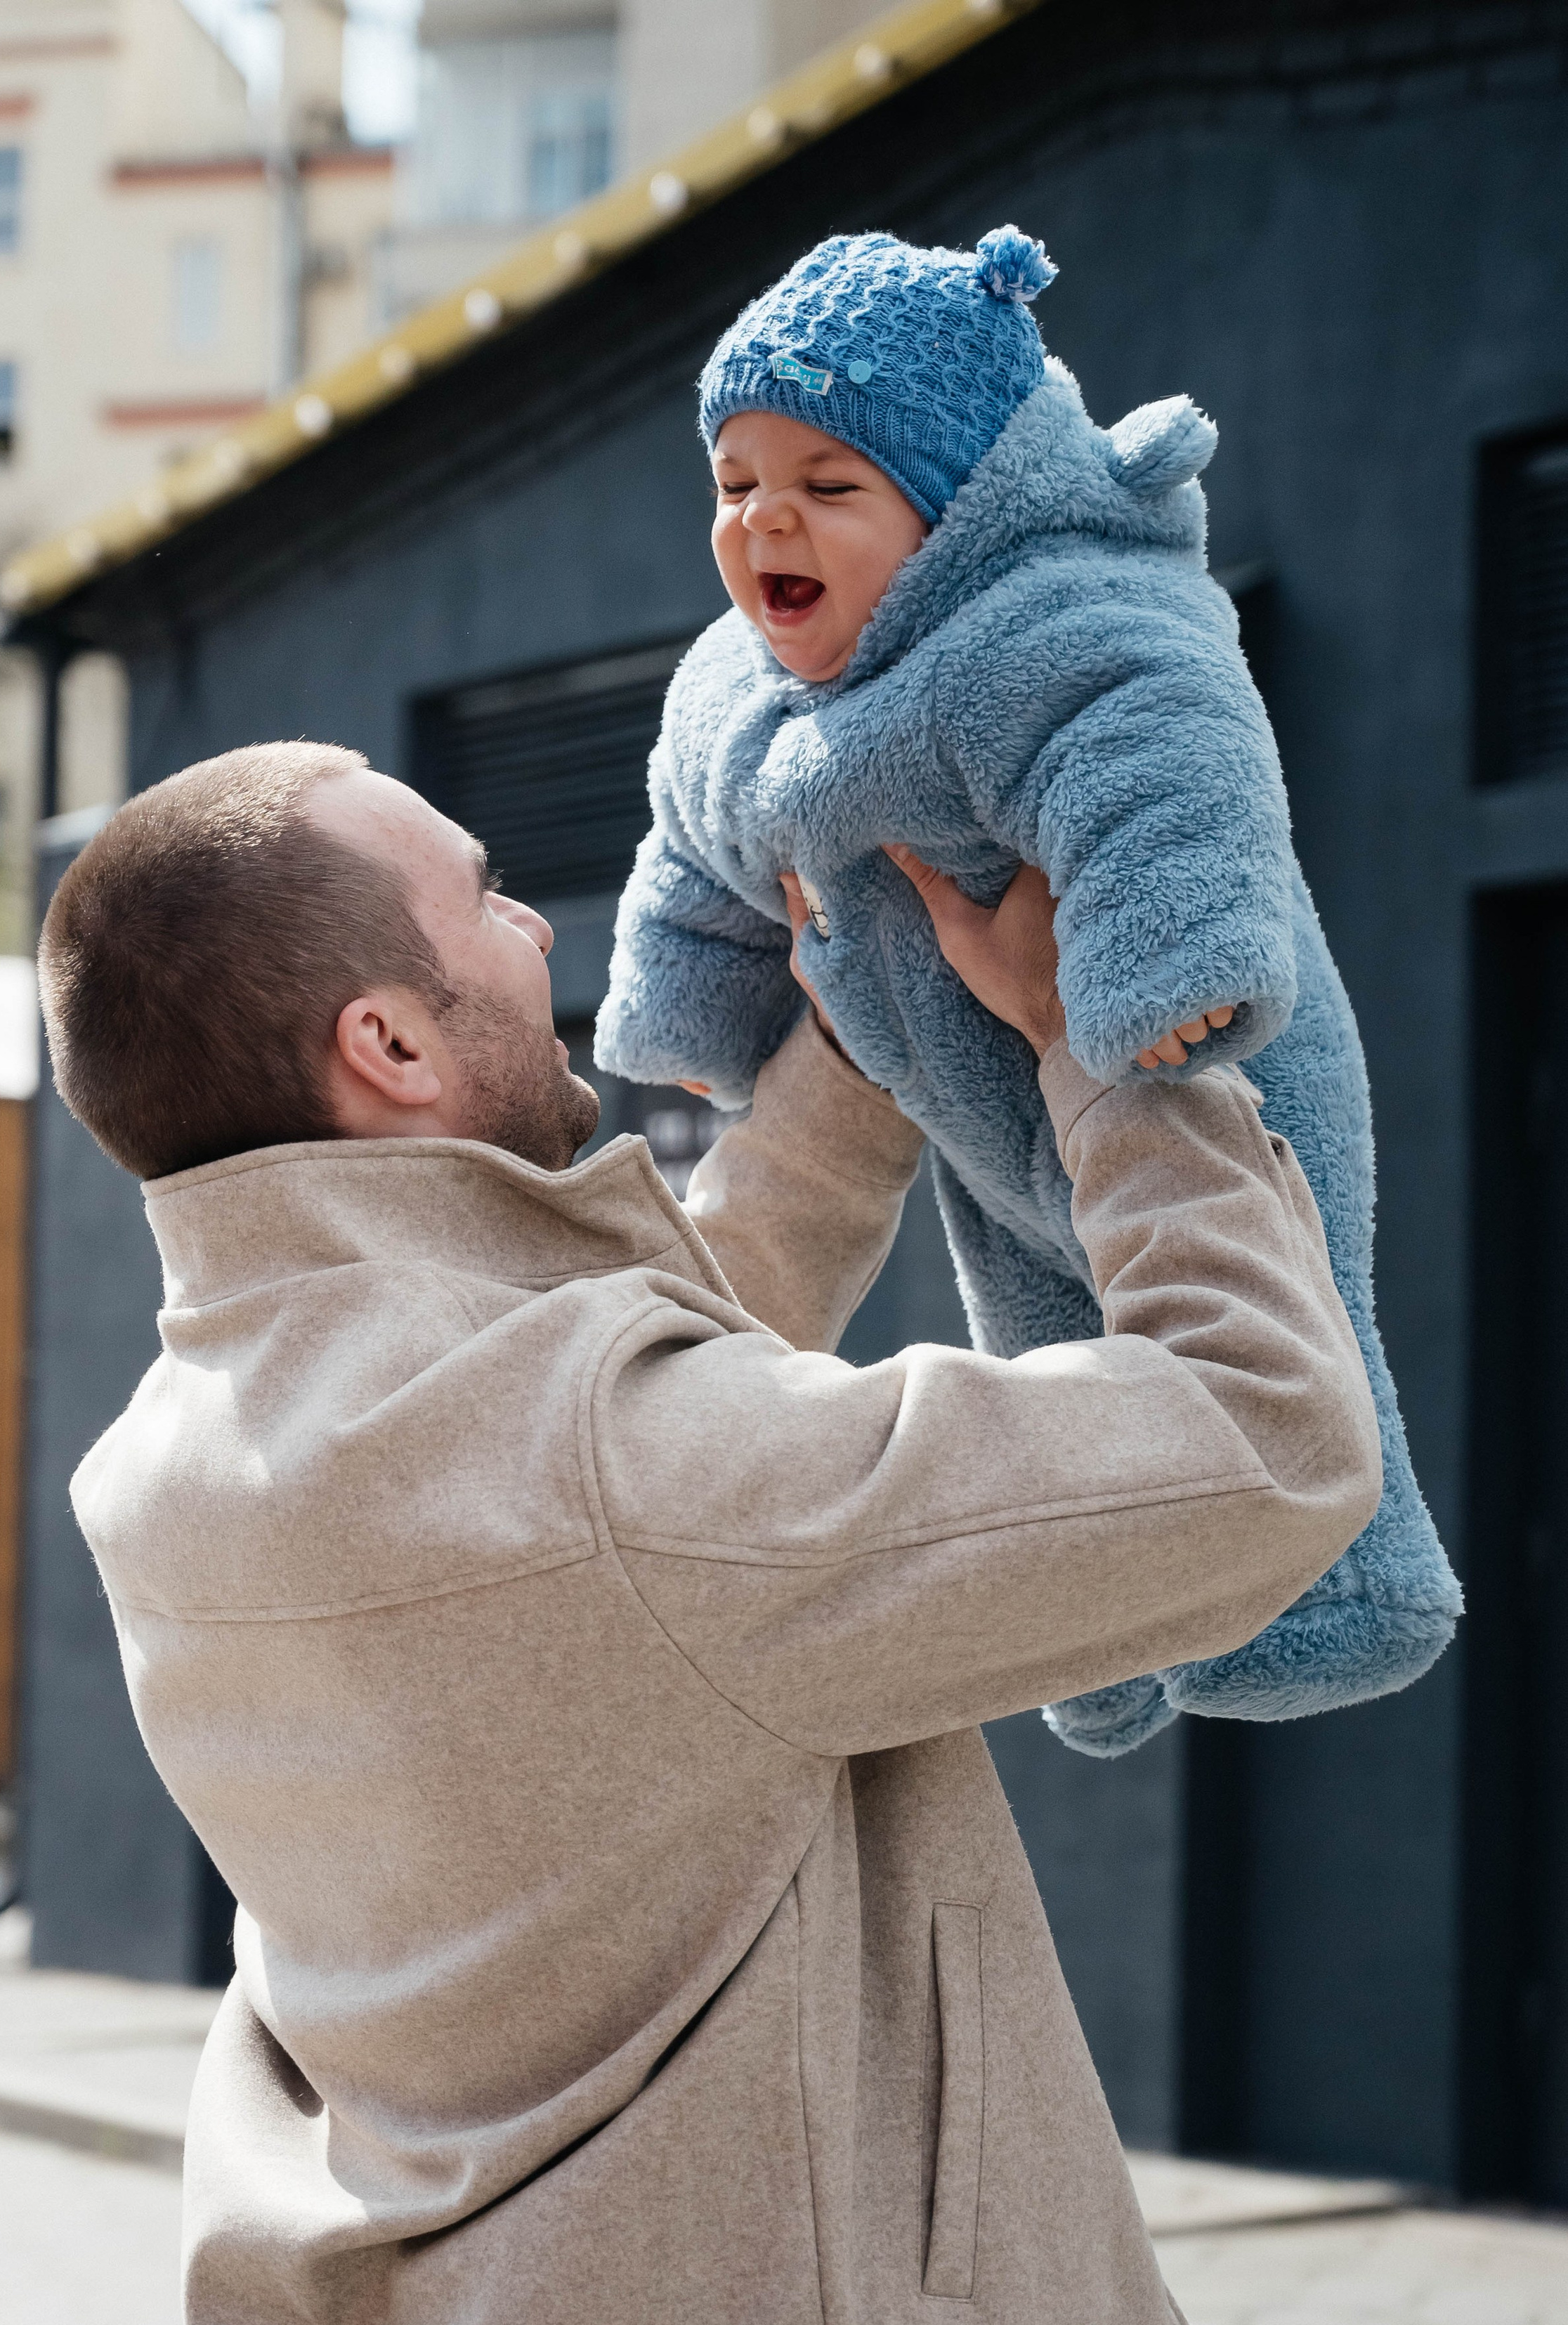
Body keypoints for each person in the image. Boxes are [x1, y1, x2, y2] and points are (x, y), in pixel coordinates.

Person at [39, 740, 1380, 2325]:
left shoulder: (184, 1451)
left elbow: (635, 1444)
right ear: (390, 1048)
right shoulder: (607, 1467)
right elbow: (1265, 1439)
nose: (539, 933)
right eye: (487, 897)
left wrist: (849, 1069)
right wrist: (1115, 1041)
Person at [594, 226, 1458, 1759]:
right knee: (1042, 1349)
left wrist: (1157, 991)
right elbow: (690, 829)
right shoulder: (732, 687)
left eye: (826, 486)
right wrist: (687, 1012)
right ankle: (1100, 1653)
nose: (760, 522)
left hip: (1173, 1053)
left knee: (1291, 1318)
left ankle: (1348, 1590)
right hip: (959, 1077)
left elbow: (1169, 771)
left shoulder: (1052, 624)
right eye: (732, 484)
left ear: (957, 510)